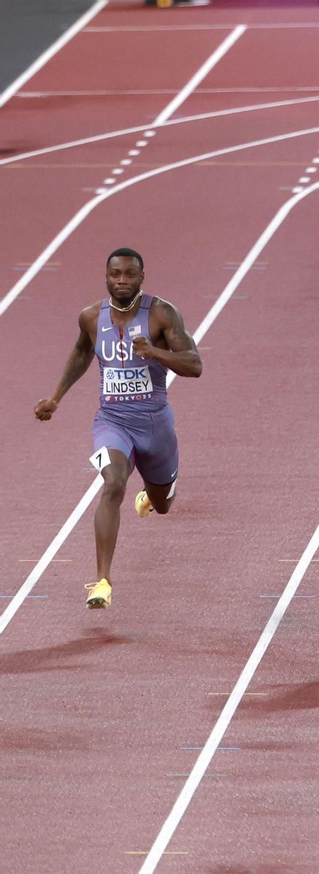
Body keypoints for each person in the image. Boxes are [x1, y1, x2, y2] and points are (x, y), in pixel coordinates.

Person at [34, 248, 201, 608]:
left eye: (129, 274)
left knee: (163, 503)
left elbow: (194, 365)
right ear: (106, 276)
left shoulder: (161, 314)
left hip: (156, 426)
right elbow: (81, 352)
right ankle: (102, 581)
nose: (121, 280)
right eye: (115, 274)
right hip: (112, 421)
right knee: (112, 484)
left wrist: (156, 353)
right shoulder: (91, 317)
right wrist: (55, 397)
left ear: (142, 277)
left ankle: (152, 497)